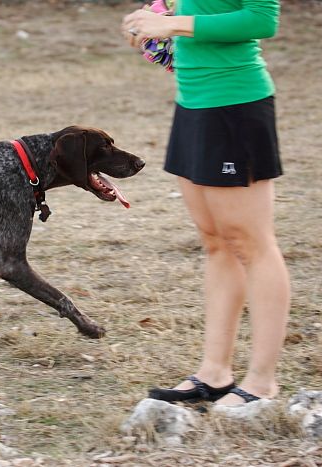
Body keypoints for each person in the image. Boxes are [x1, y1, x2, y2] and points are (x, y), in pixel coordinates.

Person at [121, 0, 290, 406]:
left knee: (251, 243)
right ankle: (215, 372)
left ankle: (262, 382)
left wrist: (173, 24)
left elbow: (261, 20)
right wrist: (150, 25)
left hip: (235, 103)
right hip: (193, 103)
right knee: (216, 242)